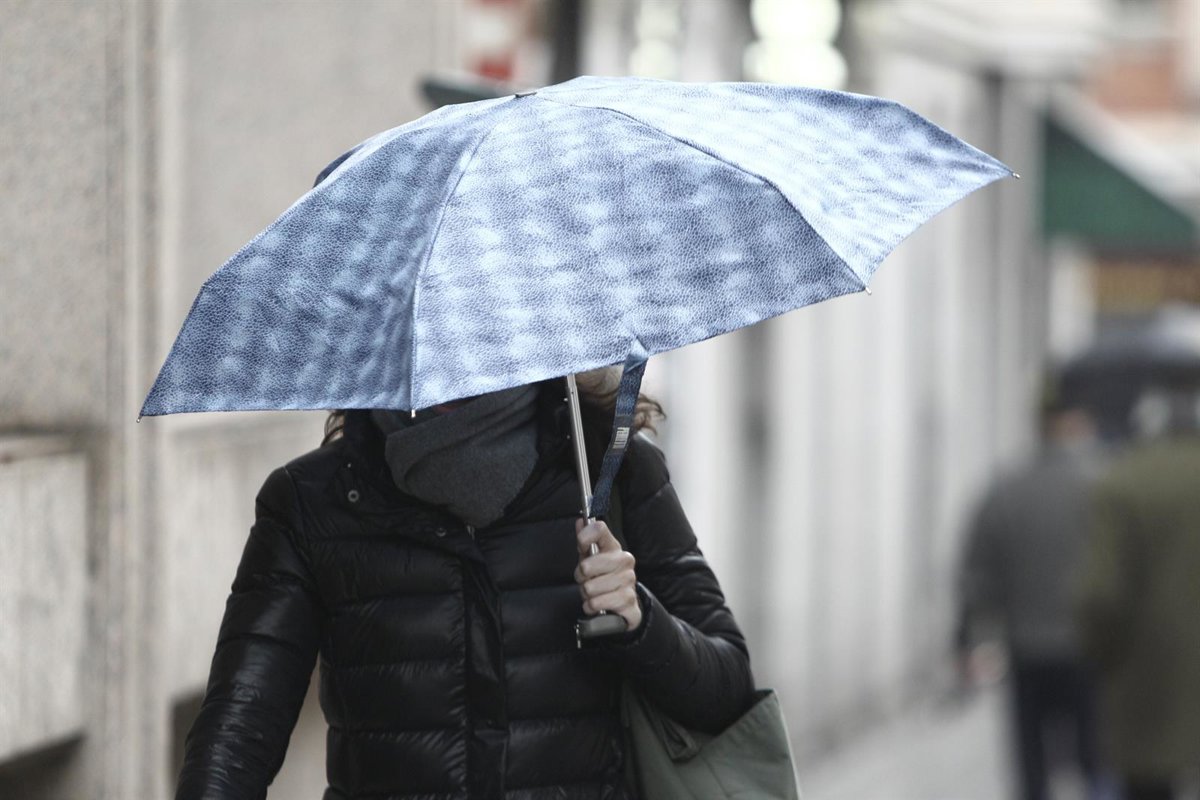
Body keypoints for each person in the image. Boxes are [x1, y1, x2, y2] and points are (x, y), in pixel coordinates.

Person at [172, 372, 757, 799]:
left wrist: (641, 622)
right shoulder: (313, 502)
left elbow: (727, 689)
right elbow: (241, 722)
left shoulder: (612, 475)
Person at [955, 396, 1110, 800]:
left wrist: (966, 640)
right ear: (1078, 425)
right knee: (1095, 756)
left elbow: (976, 575)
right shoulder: (1104, 487)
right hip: (1089, 647)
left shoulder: (1006, 490)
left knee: (1032, 761)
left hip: (1027, 648)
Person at [1075, 385, 1200, 800]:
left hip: (1148, 675)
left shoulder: (1121, 483)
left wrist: (1100, 653)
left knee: (1150, 781)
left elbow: (1101, 593)